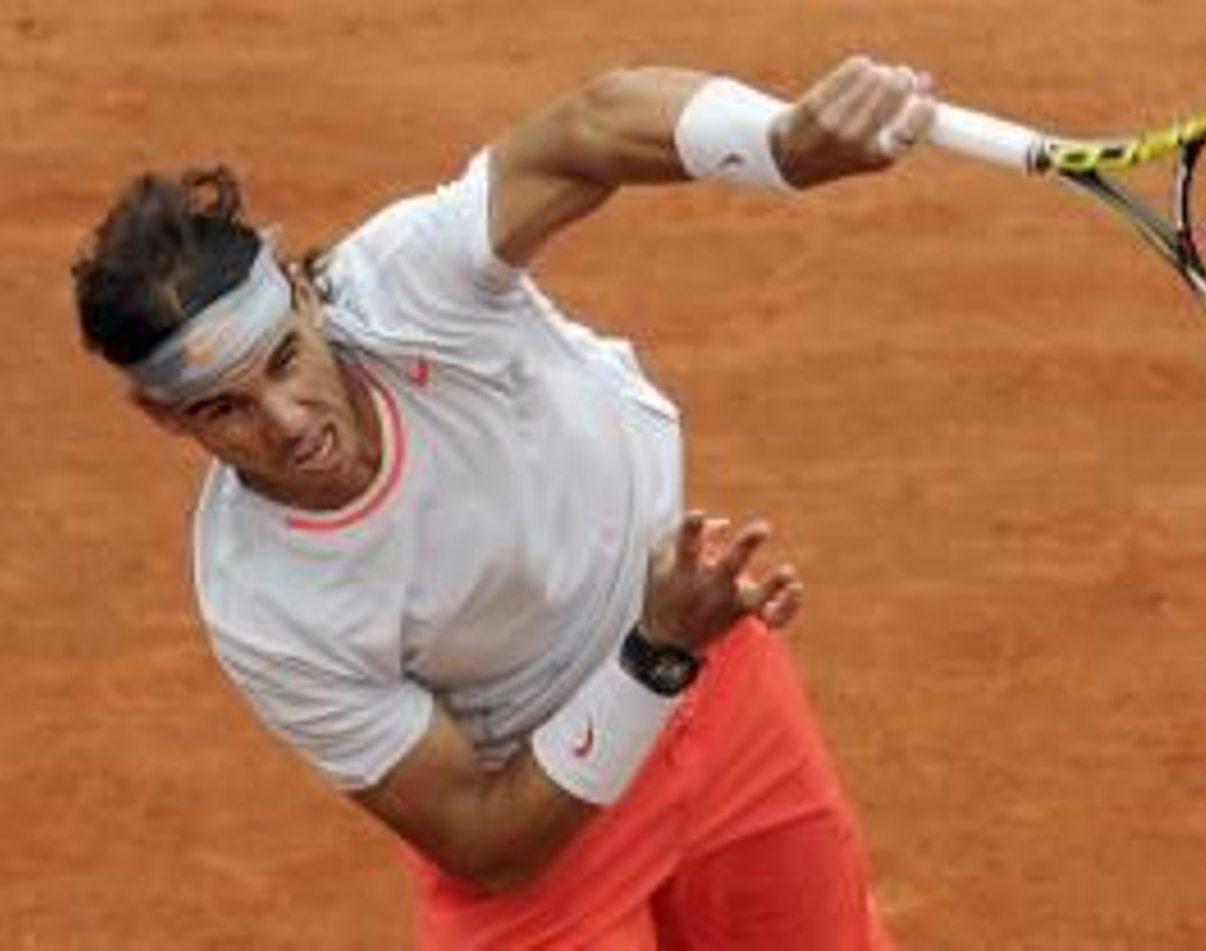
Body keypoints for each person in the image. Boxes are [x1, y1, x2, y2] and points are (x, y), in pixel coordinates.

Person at [71, 55, 935, 949]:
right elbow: (486, 838)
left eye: (286, 361)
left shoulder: (405, 281)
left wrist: (778, 143)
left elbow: (590, 129)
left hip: (722, 699)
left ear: (304, 295)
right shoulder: (265, 604)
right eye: (225, 409)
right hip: (547, 800)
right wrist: (658, 652)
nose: (288, 424)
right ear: (164, 416)